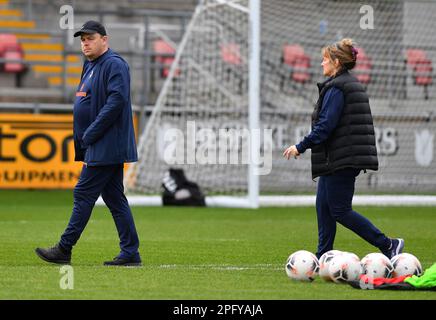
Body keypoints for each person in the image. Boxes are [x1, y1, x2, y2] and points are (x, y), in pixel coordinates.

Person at [283, 38, 404, 260]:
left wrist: (300, 146)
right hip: (338, 158)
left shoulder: (338, 87)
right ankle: (323, 255)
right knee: (324, 207)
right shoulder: (345, 84)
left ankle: (388, 244)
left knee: (339, 210)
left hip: (342, 158)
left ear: (337, 62)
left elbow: (325, 126)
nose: (321, 63)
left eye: (325, 59)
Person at [35, 21, 141, 266]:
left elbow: (116, 101)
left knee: (83, 193)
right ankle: (131, 252)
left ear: (104, 39)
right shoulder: (91, 64)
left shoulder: (114, 64)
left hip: (107, 144)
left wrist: (91, 132)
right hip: (98, 143)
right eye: (82, 39)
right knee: (115, 198)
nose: (85, 43)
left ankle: (64, 248)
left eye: (90, 38)